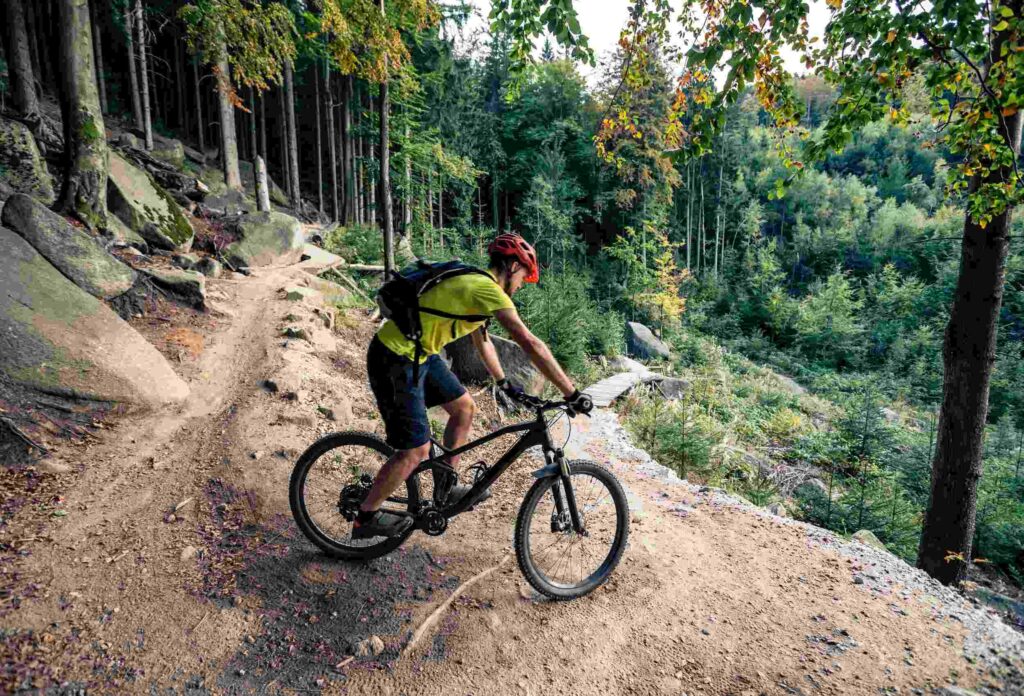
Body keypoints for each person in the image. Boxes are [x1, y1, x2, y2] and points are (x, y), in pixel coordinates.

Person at [354, 234, 591, 539]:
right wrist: (571, 393)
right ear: (512, 265)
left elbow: (483, 340)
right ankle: (366, 516)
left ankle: (446, 486)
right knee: (415, 450)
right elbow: (530, 343)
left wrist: (503, 381)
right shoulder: (486, 289)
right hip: (395, 356)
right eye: (522, 276)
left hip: (419, 353)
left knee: (464, 408)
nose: (521, 285)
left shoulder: (478, 285)